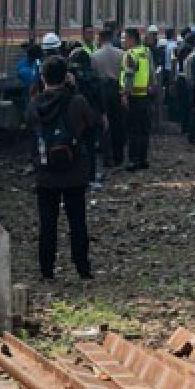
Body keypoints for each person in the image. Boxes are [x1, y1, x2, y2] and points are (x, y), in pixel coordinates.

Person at [26, 55, 99, 280]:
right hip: (75, 171)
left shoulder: (35, 103)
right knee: (77, 220)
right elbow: (92, 123)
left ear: (42, 77)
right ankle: (82, 267)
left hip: (46, 172)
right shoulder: (76, 101)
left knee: (47, 223)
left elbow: (29, 128)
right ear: (66, 76)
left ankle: (46, 270)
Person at [67, 46, 105, 188]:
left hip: (73, 118)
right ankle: (91, 176)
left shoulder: (68, 78)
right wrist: (102, 114)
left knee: (74, 146)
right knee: (90, 147)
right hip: (90, 117)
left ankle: (75, 175)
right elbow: (100, 98)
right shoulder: (93, 76)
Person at [119, 27, 154, 170]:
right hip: (145, 96)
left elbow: (128, 75)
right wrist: (151, 86)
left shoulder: (130, 54)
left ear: (132, 39)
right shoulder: (146, 52)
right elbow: (151, 72)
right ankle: (143, 158)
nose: (122, 41)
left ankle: (133, 160)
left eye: (124, 38)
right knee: (144, 129)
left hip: (133, 97)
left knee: (133, 130)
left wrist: (125, 95)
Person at [91, 28, 125, 168]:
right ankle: (119, 157)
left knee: (104, 124)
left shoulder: (94, 56)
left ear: (100, 38)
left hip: (102, 90)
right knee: (118, 123)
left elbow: (93, 76)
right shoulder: (122, 54)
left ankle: (107, 158)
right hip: (117, 88)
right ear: (111, 38)